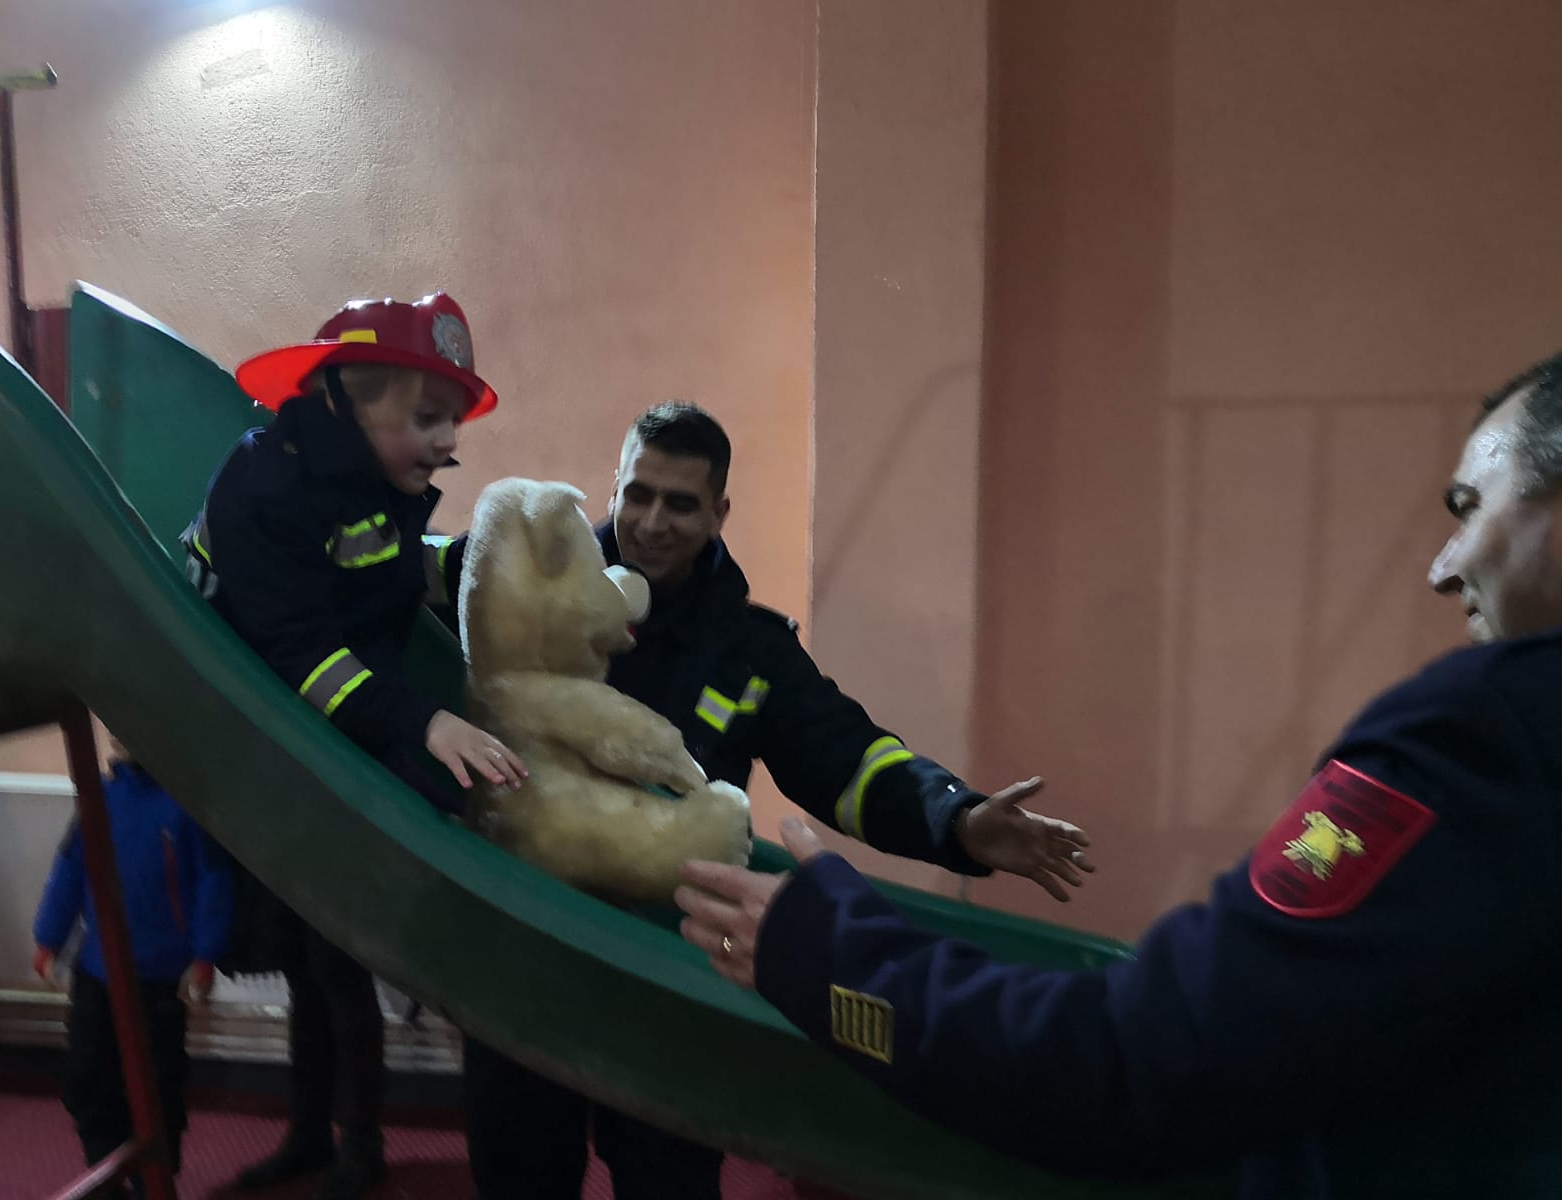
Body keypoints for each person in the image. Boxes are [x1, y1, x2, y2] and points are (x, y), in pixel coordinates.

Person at [675, 352, 1562, 1199]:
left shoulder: (1481, 732)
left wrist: (866, 916)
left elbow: (1145, 1061)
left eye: (1470, 507)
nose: (1442, 567)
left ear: (719, 511)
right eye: (634, 495)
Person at [463, 400, 1095, 1200]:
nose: (653, 522)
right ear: (613, 488)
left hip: (674, 963)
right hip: (526, 940)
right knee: (518, 1170)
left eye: (681, 503)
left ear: (719, 513)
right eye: (639, 494)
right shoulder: (529, 595)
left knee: (668, 1179)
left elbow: (847, 758)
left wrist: (957, 819)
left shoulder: (751, 649)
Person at [183, 293, 528, 1200]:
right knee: (313, 957)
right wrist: (425, 722)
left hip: (325, 724)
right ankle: (320, 1139)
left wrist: (489, 574)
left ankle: (354, 1146)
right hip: (263, 724)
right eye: (427, 417)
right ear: (347, 397)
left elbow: (389, 574)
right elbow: (304, 655)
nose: (447, 442)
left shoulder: (369, 480)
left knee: (332, 955)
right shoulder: (266, 487)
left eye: (453, 422)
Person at [32, 737, 234, 1181]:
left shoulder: (186, 806)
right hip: (97, 972)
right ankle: (106, 1174)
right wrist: (48, 939)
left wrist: (205, 956)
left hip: (160, 978)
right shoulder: (99, 800)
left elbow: (212, 883)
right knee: (87, 1079)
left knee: (157, 1087)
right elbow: (70, 869)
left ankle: (154, 1180)